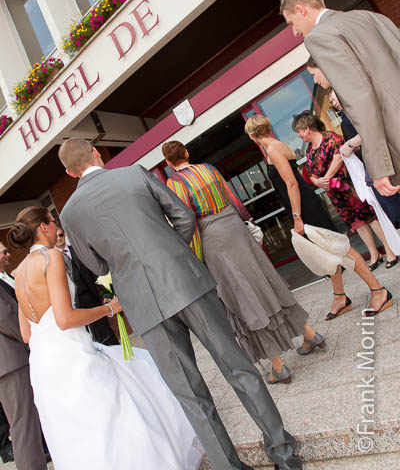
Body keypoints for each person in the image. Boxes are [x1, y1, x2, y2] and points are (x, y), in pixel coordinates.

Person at [58, 137, 302, 470]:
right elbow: (184, 216)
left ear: (71, 173)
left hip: (143, 305)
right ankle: (284, 454)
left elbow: (96, 266)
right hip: (186, 281)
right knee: (239, 369)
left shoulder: (70, 213)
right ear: (97, 153)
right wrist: (173, 251)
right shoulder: (134, 174)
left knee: (190, 396)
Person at [9, 207, 204, 470]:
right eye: (53, 223)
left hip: (43, 367)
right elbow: (65, 319)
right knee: (111, 414)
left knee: (76, 433)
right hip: (71, 355)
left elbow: (25, 333)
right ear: (43, 228)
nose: (57, 229)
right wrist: (111, 308)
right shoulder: (51, 258)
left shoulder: (18, 272)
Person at [162, 141, 325, 386]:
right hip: (235, 226)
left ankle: (278, 367)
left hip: (213, 237)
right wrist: (247, 222)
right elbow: (234, 200)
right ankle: (309, 334)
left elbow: (187, 220)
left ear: (168, 163)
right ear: (186, 153)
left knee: (242, 294)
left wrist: (194, 255)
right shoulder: (208, 168)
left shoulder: (175, 182)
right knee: (265, 281)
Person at [244, 115, 392, 319]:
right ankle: (340, 296)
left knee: (341, 248)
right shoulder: (278, 146)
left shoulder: (273, 149)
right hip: (305, 204)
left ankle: (378, 291)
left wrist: (297, 217)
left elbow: (292, 184)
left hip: (305, 207)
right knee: (326, 252)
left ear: (252, 135)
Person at [280, 0, 400, 198]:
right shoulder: (369, 16)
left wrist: (380, 165)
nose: (295, 32)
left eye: (291, 23)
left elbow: (359, 96)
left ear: (301, 9)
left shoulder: (318, 37)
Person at [292, 111, 398, 271]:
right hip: (335, 194)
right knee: (357, 223)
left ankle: (390, 250)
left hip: (349, 185)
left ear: (307, 128)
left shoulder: (330, 137)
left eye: (299, 131)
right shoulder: (309, 150)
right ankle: (374, 254)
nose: (299, 135)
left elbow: (339, 157)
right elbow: (311, 172)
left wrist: (325, 178)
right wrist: (317, 181)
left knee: (370, 216)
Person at [328, 87, 400, 238]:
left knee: (394, 206)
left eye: (334, 99)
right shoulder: (346, 117)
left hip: (380, 163)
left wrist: (349, 145)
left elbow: (371, 131)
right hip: (371, 165)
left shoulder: (357, 112)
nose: (334, 103)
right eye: (332, 102)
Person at [0, 242, 48, 470]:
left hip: (11, 360)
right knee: (23, 424)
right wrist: (32, 335)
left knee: (27, 421)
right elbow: (7, 317)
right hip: (9, 361)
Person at [55, 226, 119, 345]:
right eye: (56, 236)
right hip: (72, 304)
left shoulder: (78, 251)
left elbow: (95, 273)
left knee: (104, 332)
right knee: (84, 337)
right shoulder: (54, 259)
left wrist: (106, 293)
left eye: (61, 235)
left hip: (90, 297)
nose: (59, 238)